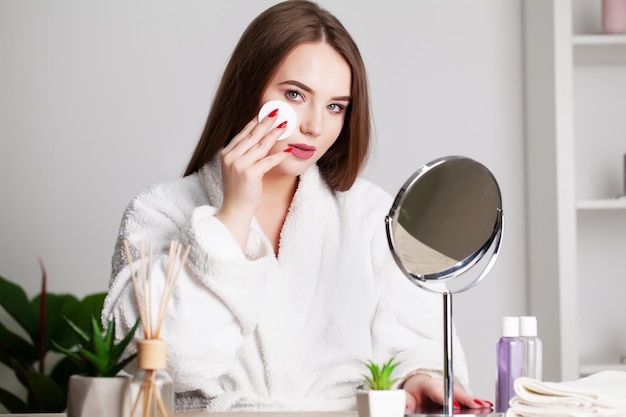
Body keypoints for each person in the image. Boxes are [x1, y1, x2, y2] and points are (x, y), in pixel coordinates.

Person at [102, 0, 493, 412]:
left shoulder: (372, 215)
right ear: (248, 88)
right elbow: (169, 362)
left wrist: (420, 378)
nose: (315, 126)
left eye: (335, 106)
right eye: (294, 94)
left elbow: (418, 340)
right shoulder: (158, 211)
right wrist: (231, 217)